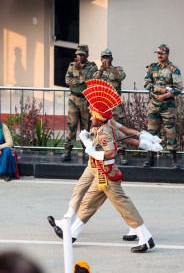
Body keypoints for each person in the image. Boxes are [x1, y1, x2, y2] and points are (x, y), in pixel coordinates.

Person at [48, 81, 162, 253]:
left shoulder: (104, 132)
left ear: (99, 117)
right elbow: (128, 137)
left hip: (107, 175)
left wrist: (92, 150)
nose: (90, 116)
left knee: (123, 205)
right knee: (88, 203)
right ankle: (71, 234)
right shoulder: (103, 127)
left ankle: (145, 237)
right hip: (100, 173)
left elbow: (111, 153)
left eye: (93, 114)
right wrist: (146, 142)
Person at [143, 44, 183, 169]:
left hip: (167, 107)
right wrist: (159, 89)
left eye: (162, 53)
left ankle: (173, 159)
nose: (159, 55)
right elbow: (146, 83)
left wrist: (165, 95)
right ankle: (150, 158)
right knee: (151, 133)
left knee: (170, 132)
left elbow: (178, 88)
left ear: (167, 54)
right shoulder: (152, 67)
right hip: (154, 106)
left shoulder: (173, 68)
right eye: (158, 53)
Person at [61, 44, 98, 161]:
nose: (79, 56)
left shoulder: (92, 67)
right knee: (71, 126)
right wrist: (82, 80)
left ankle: (86, 151)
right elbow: (67, 80)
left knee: (85, 127)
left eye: (82, 54)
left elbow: (92, 81)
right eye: (78, 54)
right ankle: (67, 151)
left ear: (87, 55)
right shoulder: (71, 65)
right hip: (73, 99)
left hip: (86, 100)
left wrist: (80, 72)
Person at [92, 49, 128, 165]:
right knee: (103, 129)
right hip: (103, 106)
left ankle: (122, 154)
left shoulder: (117, 69)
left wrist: (110, 68)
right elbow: (93, 83)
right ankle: (103, 152)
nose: (105, 59)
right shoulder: (98, 72)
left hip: (115, 105)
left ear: (111, 58)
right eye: (103, 57)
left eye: (107, 57)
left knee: (119, 127)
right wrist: (100, 72)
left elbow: (122, 76)